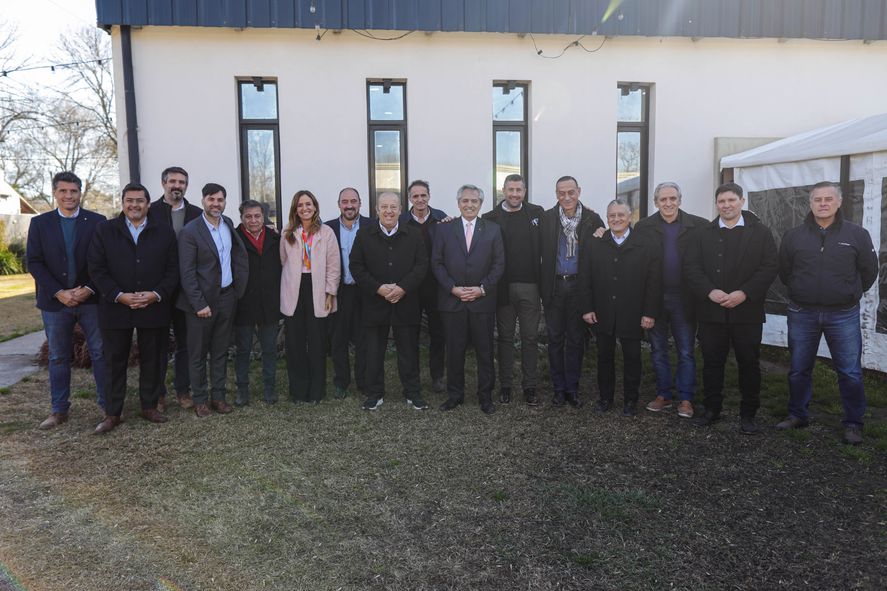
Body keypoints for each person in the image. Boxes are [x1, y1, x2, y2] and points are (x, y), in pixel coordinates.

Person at [776, 181, 878, 445]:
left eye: (828, 199)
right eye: (817, 199)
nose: (823, 203)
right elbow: (785, 272)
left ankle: (853, 423)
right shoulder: (794, 236)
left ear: (839, 202)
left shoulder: (857, 235)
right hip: (802, 312)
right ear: (810, 204)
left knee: (850, 372)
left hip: (842, 313)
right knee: (799, 369)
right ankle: (798, 414)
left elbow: (869, 271)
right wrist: (802, 290)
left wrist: (847, 292)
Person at [684, 182, 778, 434]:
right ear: (717, 204)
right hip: (711, 311)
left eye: (731, 200)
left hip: (746, 311)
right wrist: (710, 291)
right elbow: (691, 268)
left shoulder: (760, 232)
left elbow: (769, 267)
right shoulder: (703, 233)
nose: (726, 205)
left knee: (749, 363)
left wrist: (744, 293)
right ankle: (712, 409)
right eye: (722, 201)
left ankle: (748, 414)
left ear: (742, 202)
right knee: (712, 363)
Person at [88, 183, 179, 434]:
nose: (134, 205)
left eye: (140, 201)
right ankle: (112, 413)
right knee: (114, 361)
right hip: (116, 307)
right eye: (130, 200)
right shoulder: (105, 230)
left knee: (153, 359)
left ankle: (149, 406)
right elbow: (96, 268)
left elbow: (173, 269)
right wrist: (118, 295)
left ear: (148, 204)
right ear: (123, 203)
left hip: (153, 306)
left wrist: (156, 294)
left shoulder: (164, 231)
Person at [26, 171, 107, 429]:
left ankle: (108, 407)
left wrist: (89, 288)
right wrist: (58, 292)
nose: (69, 196)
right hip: (55, 302)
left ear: (80, 193)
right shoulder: (40, 224)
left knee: (100, 353)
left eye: (73, 191)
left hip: (91, 300)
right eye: (63, 191)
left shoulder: (97, 221)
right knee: (58, 356)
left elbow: (105, 261)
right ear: (55, 193)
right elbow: (34, 262)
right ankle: (59, 410)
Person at [634, 181, 708, 419]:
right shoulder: (643, 227)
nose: (668, 203)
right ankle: (664, 394)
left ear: (680, 200)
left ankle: (686, 398)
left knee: (686, 350)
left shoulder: (698, 226)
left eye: (672, 199)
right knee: (658, 349)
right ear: (655, 202)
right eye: (663, 200)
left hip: (684, 297)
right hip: (654, 296)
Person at [350, 193, 429, 411]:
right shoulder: (364, 235)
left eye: (393, 207)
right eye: (384, 206)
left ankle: (413, 393)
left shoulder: (413, 235)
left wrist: (403, 287)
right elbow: (356, 266)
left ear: (401, 209)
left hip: (406, 301)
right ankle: (374, 393)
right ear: (376, 209)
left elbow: (422, 265)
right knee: (373, 352)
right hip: (375, 303)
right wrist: (379, 288)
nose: (388, 211)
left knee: (409, 352)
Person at [581, 199, 661, 416]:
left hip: (633, 312)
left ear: (630, 217)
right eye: (612, 216)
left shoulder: (645, 244)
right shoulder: (594, 243)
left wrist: (649, 313)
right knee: (604, 358)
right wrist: (587, 308)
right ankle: (605, 398)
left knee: (632, 358)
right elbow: (585, 278)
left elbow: (654, 282)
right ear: (607, 219)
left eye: (621, 215)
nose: (616, 219)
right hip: (603, 311)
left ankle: (630, 400)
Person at [176, 183, 248, 417]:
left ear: (225, 202)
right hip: (201, 304)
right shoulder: (191, 231)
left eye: (220, 200)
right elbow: (186, 272)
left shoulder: (227, 224)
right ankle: (199, 400)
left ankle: (218, 397)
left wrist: (237, 290)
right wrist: (199, 304)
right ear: (203, 201)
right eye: (211, 199)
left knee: (220, 351)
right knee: (197, 354)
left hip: (227, 298)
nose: (216, 204)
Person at [432, 184, 505, 414]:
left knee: (485, 352)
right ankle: (455, 395)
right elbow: (437, 263)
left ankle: (485, 397)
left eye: (474, 201)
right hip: (452, 301)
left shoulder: (492, 230)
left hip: (482, 302)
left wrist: (482, 289)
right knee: (454, 351)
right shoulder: (444, 230)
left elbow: (499, 264)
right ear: (458, 203)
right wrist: (452, 288)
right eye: (465, 201)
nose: (470, 204)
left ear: (481, 204)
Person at [540, 176, 604, 408]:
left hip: (580, 287)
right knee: (555, 339)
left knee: (576, 340)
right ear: (556, 193)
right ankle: (558, 389)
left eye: (571, 192)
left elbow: (602, 248)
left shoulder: (592, 218)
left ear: (579, 191)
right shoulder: (546, 218)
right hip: (555, 286)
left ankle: (572, 388)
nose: (566, 197)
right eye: (561, 193)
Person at [482, 174, 544, 406]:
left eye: (519, 190)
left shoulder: (537, 213)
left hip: (531, 286)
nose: (515, 194)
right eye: (511, 190)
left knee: (530, 338)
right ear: (503, 190)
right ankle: (505, 385)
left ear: (525, 191)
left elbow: (563, 217)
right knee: (505, 339)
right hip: (502, 288)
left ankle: (529, 386)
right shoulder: (490, 218)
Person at [148, 166, 202, 412]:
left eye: (181, 182)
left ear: (186, 186)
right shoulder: (150, 212)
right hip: (158, 290)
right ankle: (158, 393)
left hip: (186, 290)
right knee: (158, 343)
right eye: (172, 181)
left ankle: (183, 390)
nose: (177, 186)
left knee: (185, 343)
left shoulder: (197, 214)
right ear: (163, 184)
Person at [280, 190, 340, 403]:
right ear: (295, 209)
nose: (304, 208)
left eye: (308, 204)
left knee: (317, 343)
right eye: (300, 205)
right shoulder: (288, 232)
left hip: (318, 289)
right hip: (293, 290)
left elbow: (334, 264)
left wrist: (330, 291)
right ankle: (298, 391)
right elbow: (283, 260)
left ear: (315, 206)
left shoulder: (326, 232)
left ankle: (316, 392)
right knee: (295, 344)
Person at [399, 180, 449, 393]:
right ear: (409, 198)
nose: (420, 200)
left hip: (436, 285)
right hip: (410, 286)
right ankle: (412, 378)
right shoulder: (402, 221)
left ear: (429, 196)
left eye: (423, 195)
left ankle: (437, 376)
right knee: (410, 334)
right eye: (415, 196)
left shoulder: (441, 219)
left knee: (438, 333)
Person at [233, 199, 282, 406]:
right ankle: (242, 391)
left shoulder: (275, 237)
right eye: (248, 216)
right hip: (244, 302)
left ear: (264, 217)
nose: (253, 220)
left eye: (257, 216)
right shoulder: (234, 238)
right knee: (243, 350)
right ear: (242, 218)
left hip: (269, 302)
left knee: (269, 349)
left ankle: (269, 388)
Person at [325, 187, 369, 399]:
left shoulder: (372, 226)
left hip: (365, 291)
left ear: (360, 203)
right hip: (339, 291)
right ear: (339, 204)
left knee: (364, 339)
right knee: (338, 338)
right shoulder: (328, 228)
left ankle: (363, 381)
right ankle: (341, 381)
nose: (349, 205)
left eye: (353, 201)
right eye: (345, 201)